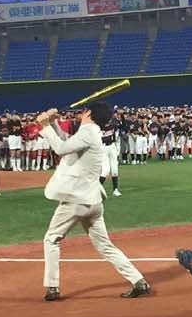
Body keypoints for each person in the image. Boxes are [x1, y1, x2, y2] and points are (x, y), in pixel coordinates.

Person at [34, 101, 150, 302]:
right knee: (105, 245)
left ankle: (52, 287)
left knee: (51, 239)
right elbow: (68, 144)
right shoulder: (91, 131)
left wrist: (44, 125)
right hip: (93, 200)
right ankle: (138, 281)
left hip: (77, 200)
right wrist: (53, 123)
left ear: (88, 113)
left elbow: (61, 149)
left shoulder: (88, 132)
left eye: (85, 110)